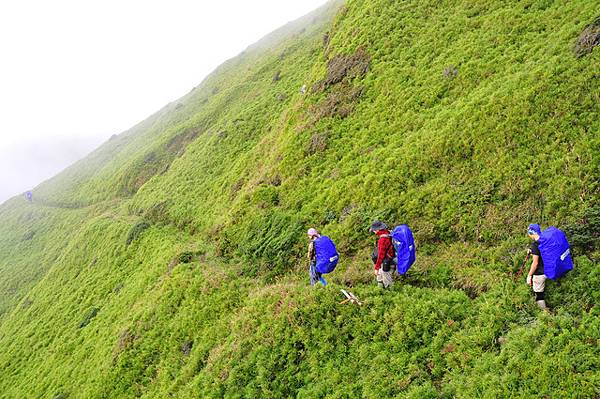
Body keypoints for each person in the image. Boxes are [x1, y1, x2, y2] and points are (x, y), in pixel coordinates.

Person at [527, 223, 547, 310]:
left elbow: (535, 263)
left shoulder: (534, 245)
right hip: (548, 269)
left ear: (532, 232)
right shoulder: (545, 240)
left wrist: (529, 275)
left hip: (539, 273)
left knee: (539, 294)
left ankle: (544, 314)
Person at [370, 221, 395, 289]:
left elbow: (381, 255)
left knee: (388, 283)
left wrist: (376, 268)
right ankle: (379, 291)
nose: (374, 232)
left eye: (374, 230)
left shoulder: (382, 239)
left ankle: (391, 294)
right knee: (379, 278)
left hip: (387, 262)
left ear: (378, 229)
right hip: (390, 259)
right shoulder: (388, 233)